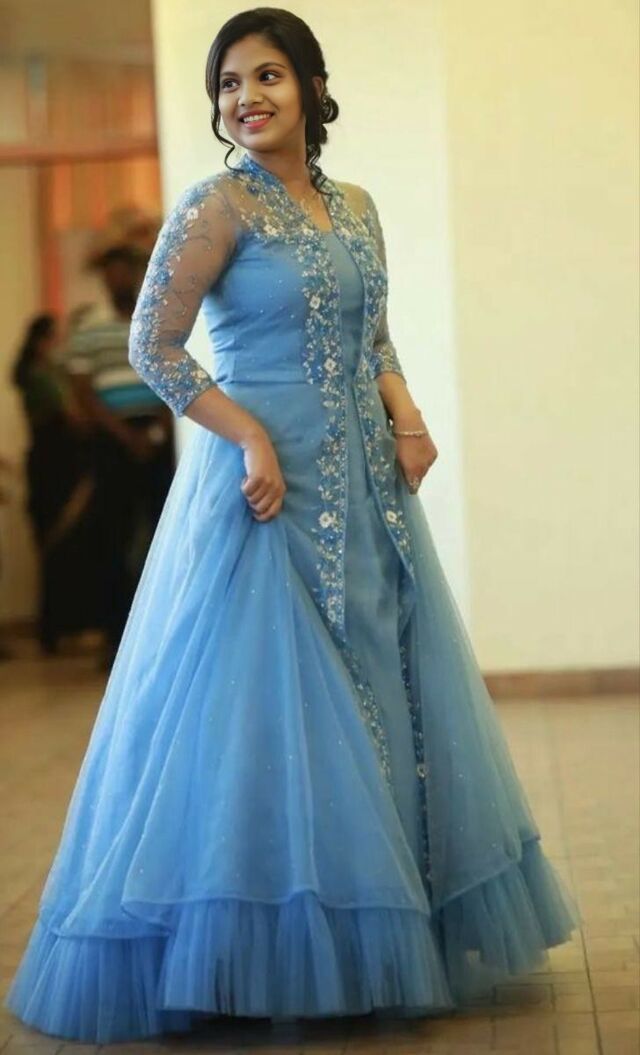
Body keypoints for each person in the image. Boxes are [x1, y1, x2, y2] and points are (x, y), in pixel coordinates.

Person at [4, 8, 579, 1043]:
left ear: (312, 85)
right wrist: (248, 437)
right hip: (259, 490)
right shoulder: (214, 205)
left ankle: (382, 935)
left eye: (267, 75)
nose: (246, 98)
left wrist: (408, 418)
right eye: (229, 84)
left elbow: (375, 335)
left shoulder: (355, 206)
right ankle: (261, 948)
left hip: (362, 483)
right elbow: (153, 346)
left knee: (378, 685)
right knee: (270, 711)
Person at [65, 223, 175, 664]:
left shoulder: (157, 320)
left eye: (127, 269)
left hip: (157, 435)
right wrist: (125, 436)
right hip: (112, 441)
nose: (120, 278)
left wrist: (161, 429)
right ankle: (116, 639)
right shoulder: (89, 330)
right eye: (112, 272)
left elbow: (172, 375)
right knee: (112, 538)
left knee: (163, 532)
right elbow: (83, 392)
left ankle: (162, 637)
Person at [12, 314, 100, 653]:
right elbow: (72, 416)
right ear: (41, 342)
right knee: (58, 544)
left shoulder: (41, 374)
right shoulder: (41, 377)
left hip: (53, 463)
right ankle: (56, 627)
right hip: (55, 466)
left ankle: (62, 626)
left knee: (62, 546)